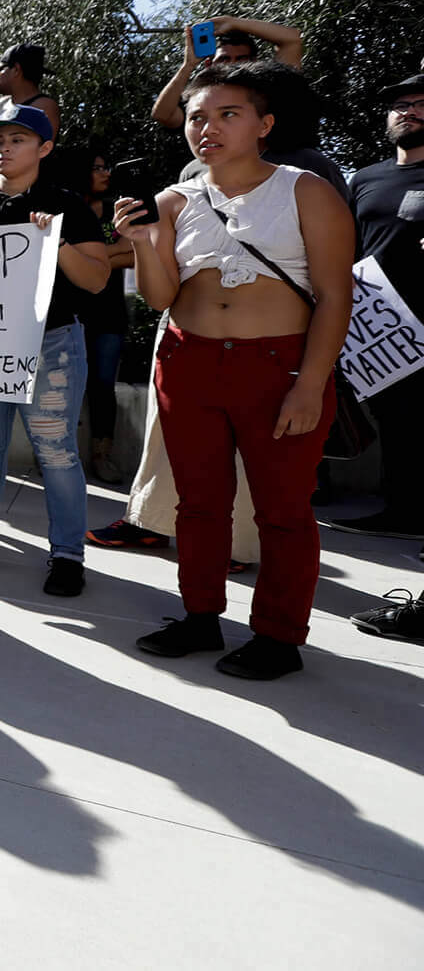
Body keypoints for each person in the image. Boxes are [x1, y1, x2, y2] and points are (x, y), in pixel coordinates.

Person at [119, 61, 353, 679]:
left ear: (264, 124)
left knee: (283, 510)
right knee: (198, 504)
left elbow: (335, 296)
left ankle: (279, 635)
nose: (208, 128)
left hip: (278, 368)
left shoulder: (306, 190)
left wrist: (310, 383)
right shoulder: (174, 199)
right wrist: (144, 242)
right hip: (187, 361)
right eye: (197, 117)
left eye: (228, 114)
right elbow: (161, 296)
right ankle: (199, 616)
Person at [0, 100, 109, 597]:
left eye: (16, 140)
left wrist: (55, 241)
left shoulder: (67, 204)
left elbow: (96, 280)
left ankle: (68, 556)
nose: (3, 149)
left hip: (51, 344)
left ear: (44, 148)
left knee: (56, 453)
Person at [333, 73, 424, 541]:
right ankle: (402, 509)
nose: (407, 110)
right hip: (379, 324)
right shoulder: (365, 178)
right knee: (395, 420)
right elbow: (344, 244)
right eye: (399, 105)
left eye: (419, 103)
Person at [80, 149, 133, 483]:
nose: (105, 172)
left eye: (106, 167)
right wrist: (109, 253)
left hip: (110, 314)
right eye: (97, 167)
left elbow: (133, 254)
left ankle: (102, 455)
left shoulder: (119, 209)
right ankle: (57, 451)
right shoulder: (69, 207)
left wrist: (87, 257)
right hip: (71, 312)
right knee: (66, 385)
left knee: (103, 385)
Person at [150, 16, 302, 131]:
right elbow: (163, 115)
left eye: (241, 59)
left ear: (254, 61)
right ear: (209, 65)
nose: (232, 65)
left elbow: (292, 40)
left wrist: (234, 22)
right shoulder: (200, 101)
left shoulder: (272, 90)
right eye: (224, 59)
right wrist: (188, 65)